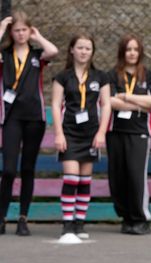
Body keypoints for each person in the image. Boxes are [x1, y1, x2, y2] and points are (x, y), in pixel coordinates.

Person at [0, 11, 58, 236]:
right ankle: (2, 216)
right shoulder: (5, 55)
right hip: (12, 117)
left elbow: (53, 51)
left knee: (27, 169)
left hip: (34, 117)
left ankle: (23, 217)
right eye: (17, 30)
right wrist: (2, 28)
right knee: (8, 170)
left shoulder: (37, 55)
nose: (21, 34)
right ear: (11, 33)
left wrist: (38, 36)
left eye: (24, 30)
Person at [51, 33, 110, 242]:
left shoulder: (100, 77)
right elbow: (56, 106)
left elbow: (106, 105)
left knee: (85, 180)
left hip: (91, 134)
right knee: (71, 177)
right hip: (69, 133)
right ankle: (67, 224)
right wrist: (58, 133)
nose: (84, 51)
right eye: (80, 47)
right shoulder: (62, 77)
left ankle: (79, 223)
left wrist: (102, 132)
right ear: (72, 50)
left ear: (92, 52)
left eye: (88, 48)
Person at [107, 34, 151, 235]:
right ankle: (126, 216)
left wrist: (126, 96)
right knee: (118, 176)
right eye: (128, 49)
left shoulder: (149, 75)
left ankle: (141, 218)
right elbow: (109, 101)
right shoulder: (112, 75)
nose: (132, 53)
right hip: (116, 131)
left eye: (135, 49)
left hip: (139, 132)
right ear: (122, 52)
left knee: (136, 175)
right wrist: (139, 103)